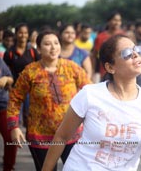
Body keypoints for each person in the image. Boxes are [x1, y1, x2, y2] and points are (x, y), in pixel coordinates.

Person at [41, 35, 141, 171]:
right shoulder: (90, 94)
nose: (136, 55)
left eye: (138, 50)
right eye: (127, 53)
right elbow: (62, 136)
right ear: (110, 67)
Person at [7, 30, 91, 171]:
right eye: (47, 44)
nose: (53, 47)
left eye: (56, 43)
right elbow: (15, 99)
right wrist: (13, 127)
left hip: (72, 134)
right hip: (41, 138)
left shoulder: (72, 67)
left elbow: (90, 91)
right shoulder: (30, 71)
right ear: (38, 48)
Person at [0, 36, 17, 171]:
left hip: (1, 106)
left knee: (10, 138)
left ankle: (8, 166)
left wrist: (6, 78)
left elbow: (11, 79)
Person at [92, 11, 125, 81]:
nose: (117, 23)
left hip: (122, 72)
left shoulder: (124, 36)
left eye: (119, 20)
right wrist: (93, 71)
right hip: (104, 73)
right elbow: (94, 56)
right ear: (108, 21)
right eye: (115, 20)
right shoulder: (100, 37)